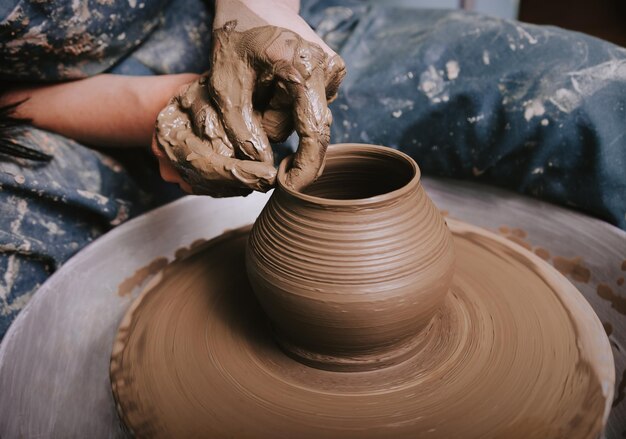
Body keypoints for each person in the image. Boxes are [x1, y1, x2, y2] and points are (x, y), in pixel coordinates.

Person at [1, 0, 625, 339]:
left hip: (257, 21)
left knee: (597, 99)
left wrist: (255, 17)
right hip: (46, 113)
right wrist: (147, 107)